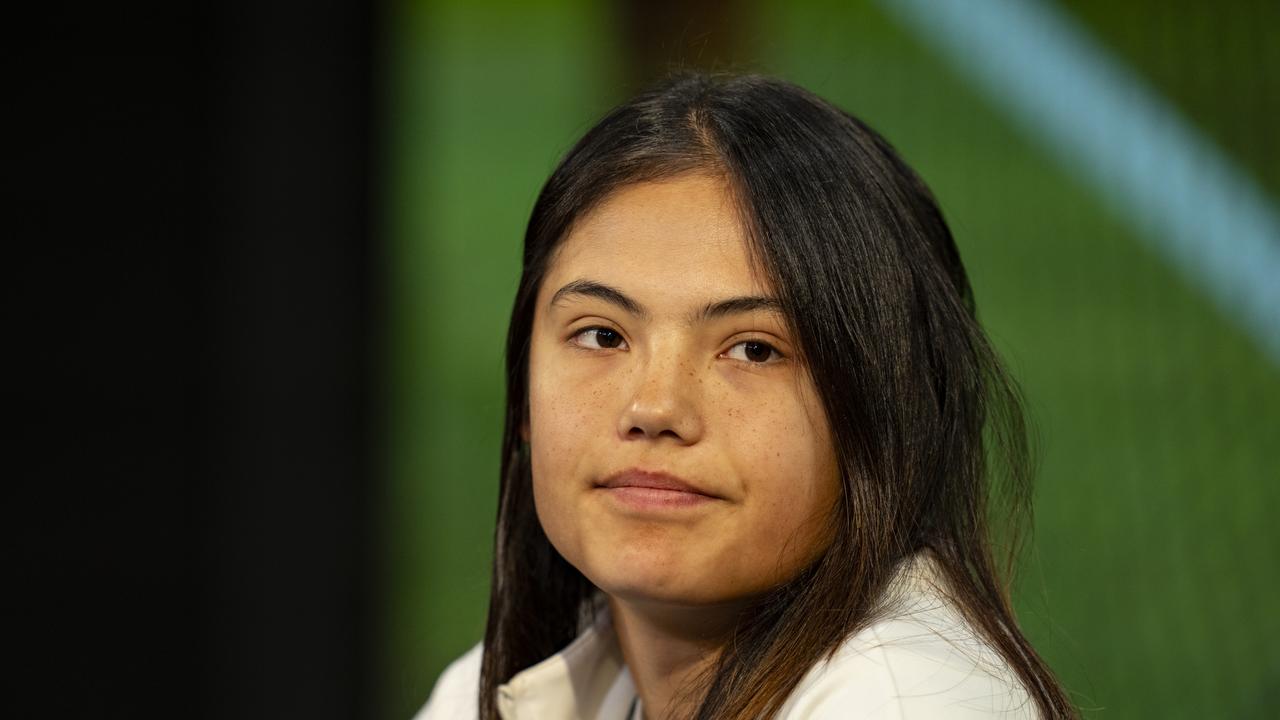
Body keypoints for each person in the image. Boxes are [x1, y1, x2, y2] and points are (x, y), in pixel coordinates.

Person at [417, 72, 1076, 719]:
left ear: (882, 411)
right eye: (601, 335)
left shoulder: (906, 703)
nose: (653, 409)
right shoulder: (496, 687)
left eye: (753, 349)